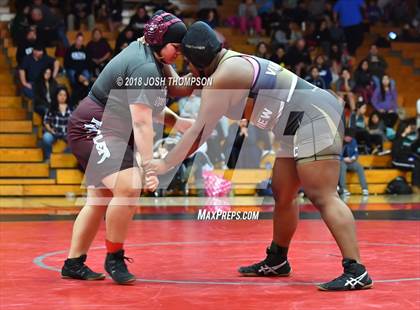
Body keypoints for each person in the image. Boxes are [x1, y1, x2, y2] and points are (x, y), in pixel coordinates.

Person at [151, 21, 373, 291]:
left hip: (313, 115)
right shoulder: (219, 66)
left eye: (187, 61)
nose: (186, 67)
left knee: (322, 194)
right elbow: (177, 87)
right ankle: (278, 259)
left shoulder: (223, 77)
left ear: (197, 62)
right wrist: (158, 53)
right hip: (295, 121)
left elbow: (198, 135)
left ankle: (356, 269)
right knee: (283, 192)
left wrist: (163, 163)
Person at [61, 11, 195, 285]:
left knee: (98, 199)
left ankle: (74, 263)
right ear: (160, 41)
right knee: (129, 186)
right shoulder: (145, 67)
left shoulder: (150, 51)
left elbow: (166, 96)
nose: (178, 55)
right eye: (176, 49)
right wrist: (147, 169)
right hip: (95, 126)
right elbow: (144, 123)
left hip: (109, 125)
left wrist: (177, 121)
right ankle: (114, 257)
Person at [42, 86, 72, 160]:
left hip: (67, 134)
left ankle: (65, 154)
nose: (62, 97)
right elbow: (46, 121)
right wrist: (50, 130)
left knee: (78, 141)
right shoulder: (52, 107)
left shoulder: (71, 108)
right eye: (60, 95)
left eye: (64, 95)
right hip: (54, 133)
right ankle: (48, 158)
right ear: (57, 96)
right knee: (46, 137)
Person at [338, 128, 369, 197]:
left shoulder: (353, 141)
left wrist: (353, 158)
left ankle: (365, 189)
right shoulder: (339, 142)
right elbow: (335, 155)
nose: (349, 138)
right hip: (341, 162)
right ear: (344, 136)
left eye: (350, 137)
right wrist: (343, 158)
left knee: (359, 167)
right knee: (342, 167)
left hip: (350, 161)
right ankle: (343, 189)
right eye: (348, 137)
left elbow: (356, 153)